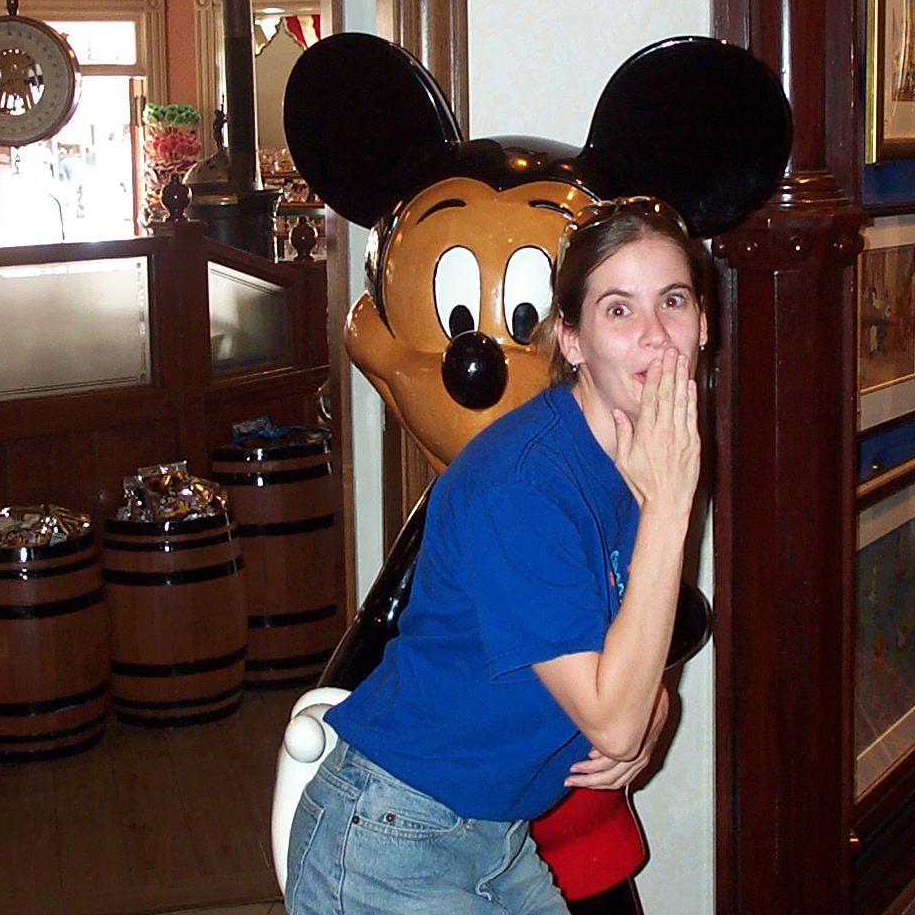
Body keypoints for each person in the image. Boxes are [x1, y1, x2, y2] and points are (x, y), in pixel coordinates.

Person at [286, 198, 708, 915]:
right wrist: (671, 506)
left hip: (495, 835)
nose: (656, 336)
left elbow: (619, 645)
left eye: (674, 301)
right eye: (618, 309)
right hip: (391, 840)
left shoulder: (642, 452)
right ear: (570, 339)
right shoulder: (525, 484)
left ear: (705, 322)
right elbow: (612, 720)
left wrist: (657, 702)